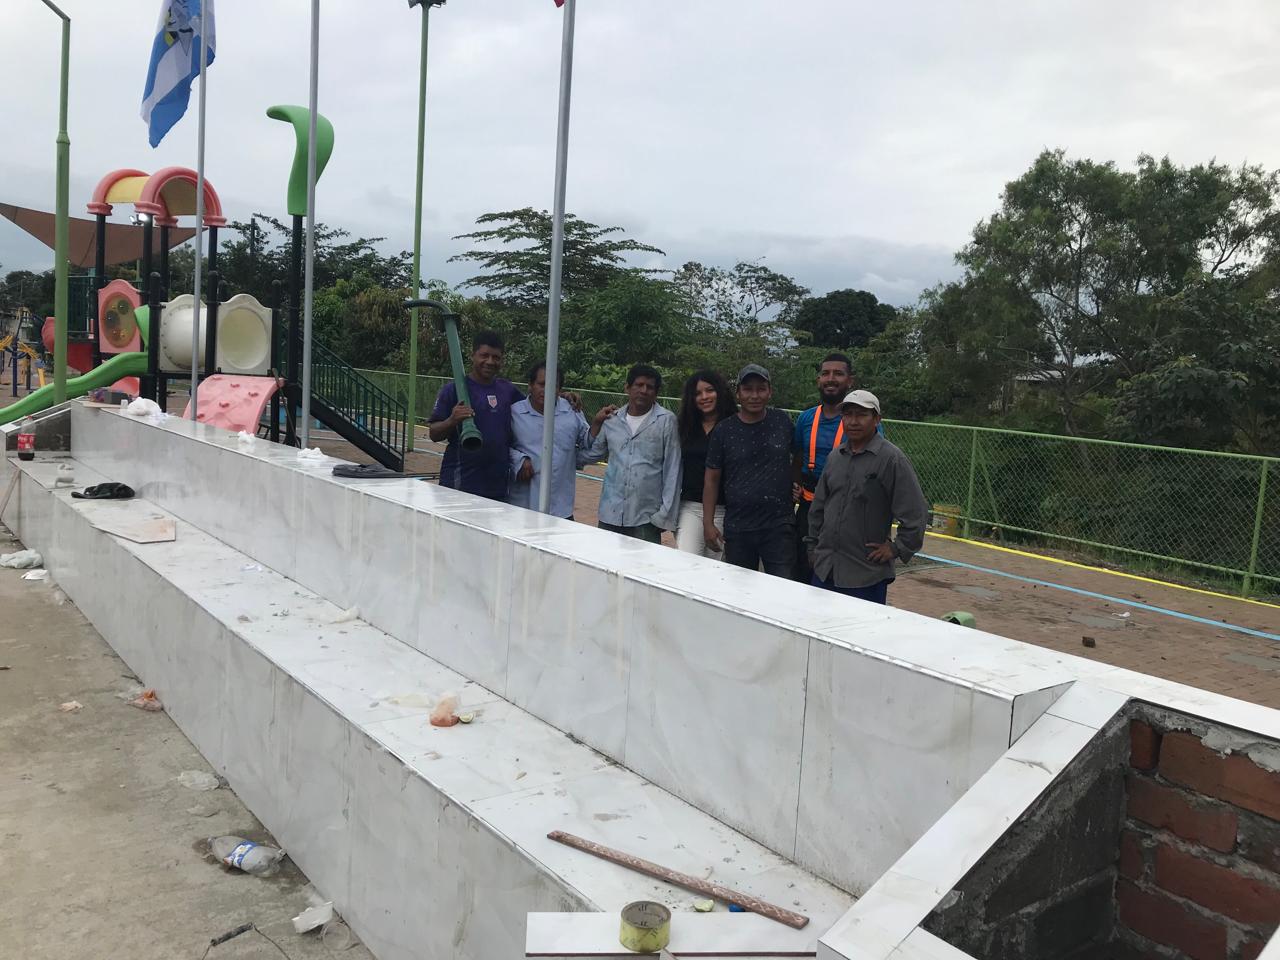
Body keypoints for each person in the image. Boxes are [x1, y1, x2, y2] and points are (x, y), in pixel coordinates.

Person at [805, 390, 928, 605]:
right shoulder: (836, 457)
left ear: (876, 419)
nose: (853, 421)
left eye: (861, 415)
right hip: (825, 569)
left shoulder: (891, 459)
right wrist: (812, 548)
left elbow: (915, 512)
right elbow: (819, 507)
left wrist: (896, 548)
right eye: (848, 415)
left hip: (865, 574)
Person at [703, 364, 795, 577]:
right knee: (740, 588)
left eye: (761, 389)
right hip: (738, 526)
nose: (754, 395)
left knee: (783, 586)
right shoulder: (724, 430)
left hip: (779, 525)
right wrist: (708, 523)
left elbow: (798, 455)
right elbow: (711, 479)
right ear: (738, 393)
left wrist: (795, 481)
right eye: (748, 389)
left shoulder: (782, 421)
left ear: (770, 392)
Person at [583, 364, 681, 543]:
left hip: (646, 518)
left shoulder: (666, 421)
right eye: (639, 385)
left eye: (650, 387)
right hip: (610, 513)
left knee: (643, 561)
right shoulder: (611, 419)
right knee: (604, 559)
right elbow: (593, 454)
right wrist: (595, 424)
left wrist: (664, 515)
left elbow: (673, 469)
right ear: (627, 388)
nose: (644, 391)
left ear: (656, 393)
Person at [427, 331, 523, 501]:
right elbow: (434, 433)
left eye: (496, 357)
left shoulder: (508, 390)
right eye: (484, 355)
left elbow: (534, 407)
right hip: (460, 485)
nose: (490, 362)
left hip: (498, 487)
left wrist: (563, 397)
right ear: (473, 355)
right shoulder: (453, 390)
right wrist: (452, 420)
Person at [791, 352, 854, 582]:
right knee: (802, 570)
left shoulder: (859, 421)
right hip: (809, 508)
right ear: (819, 379)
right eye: (825, 373)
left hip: (845, 510)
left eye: (838, 374)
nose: (831, 379)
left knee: (837, 575)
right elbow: (798, 456)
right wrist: (795, 483)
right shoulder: (806, 418)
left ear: (850, 381)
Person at [508, 360, 592, 519]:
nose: (546, 390)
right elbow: (499, 446)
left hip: (561, 509)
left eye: (553, 385)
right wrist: (519, 460)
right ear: (530, 385)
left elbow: (587, 442)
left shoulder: (571, 411)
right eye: (541, 384)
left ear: (559, 389)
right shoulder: (514, 413)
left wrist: (599, 425)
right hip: (523, 508)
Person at [674, 370, 737, 557]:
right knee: (686, 561)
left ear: (720, 391)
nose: (704, 397)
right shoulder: (684, 426)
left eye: (710, 390)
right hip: (690, 506)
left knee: (716, 568)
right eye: (697, 393)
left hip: (725, 509)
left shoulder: (735, 425)